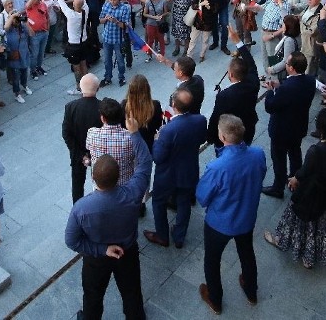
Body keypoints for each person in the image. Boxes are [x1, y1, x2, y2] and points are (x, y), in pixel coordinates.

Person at [65, 116, 152, 320]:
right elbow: (145, 162)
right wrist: (135, 133)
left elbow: (71, 241)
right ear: (118, 175)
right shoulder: (132, 193)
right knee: (131, 292)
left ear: (93, 178)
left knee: (93, 295)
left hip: (96, 258)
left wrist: (101, 249)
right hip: (127, 252)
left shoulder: (82, 207)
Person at [196, 114, 266, 314]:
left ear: (223, 137)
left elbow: (202, 196)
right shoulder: (258, 153)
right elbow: (260, 175)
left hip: (220, 223)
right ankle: (251, 291)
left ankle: (215, 299)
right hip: (246, 217)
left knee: (212, 260)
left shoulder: (217, 167)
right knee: (246, 252)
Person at [263, 108, 326, 269]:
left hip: (311, 193)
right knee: (320, 226)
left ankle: (281, 240)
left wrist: (295, 179)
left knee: (298, 220)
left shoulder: (316, 151)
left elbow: (305, 171)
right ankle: (309, 258)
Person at [144, 89, 206, 249]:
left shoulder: (167, 130)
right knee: (184, 202)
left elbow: (157, 157)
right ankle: (179, 237)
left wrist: (156, 140)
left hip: (167, 176)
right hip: (188, 171)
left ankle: (162, 235)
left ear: (173, 105)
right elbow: (201, 139)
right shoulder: (200, 120)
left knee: (158, 202)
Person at [262, 52, 316, 198]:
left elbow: (271, 107)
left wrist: (270, 92)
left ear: (291, 68)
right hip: (298, 126)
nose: (285, 65)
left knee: (279, 159)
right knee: (295, 154)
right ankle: (295, 180)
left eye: (286, 63)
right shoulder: (310, 81)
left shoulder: (286, 89)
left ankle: (278, 187)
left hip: (281, 130)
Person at [208, 27, 260, 148]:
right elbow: (251, 63)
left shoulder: (224, 96)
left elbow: (216, 118)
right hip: (248, 129)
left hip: (230, 137)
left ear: (230, 74)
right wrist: (238, 42)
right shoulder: (253, 82)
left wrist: (210, 137)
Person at [62, 73, 102, 203]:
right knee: (101, 184)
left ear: (80, 87)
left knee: (77, 186)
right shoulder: (103, 108)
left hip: (77, 153)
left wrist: (81, 155)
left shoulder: (70, 107)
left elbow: (66, 134)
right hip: (98, 154)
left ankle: (77, 211)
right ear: (98, 88)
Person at [99, 0, 130, 87]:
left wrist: (116, 21)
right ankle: (108, 78)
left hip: (118, 39)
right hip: (107, 38)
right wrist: (106, 19)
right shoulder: (106, 6)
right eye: (110, 0)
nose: (112, 2)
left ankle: (121, 77)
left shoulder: (124, 8)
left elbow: (125, 26)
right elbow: (100, 20)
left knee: (120, 61)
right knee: (107, 60)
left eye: (114, 0)